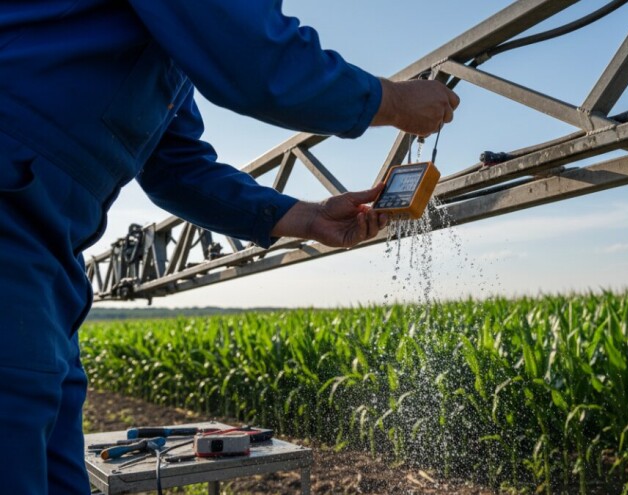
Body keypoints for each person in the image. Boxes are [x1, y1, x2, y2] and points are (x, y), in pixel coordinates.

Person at [0, 1, 459, 493]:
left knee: (52, 466)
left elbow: (178, 168)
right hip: (14, 215)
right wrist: (390, 100)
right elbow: (256, 59)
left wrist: (310, 217)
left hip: (47, 251)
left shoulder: (167, 57)